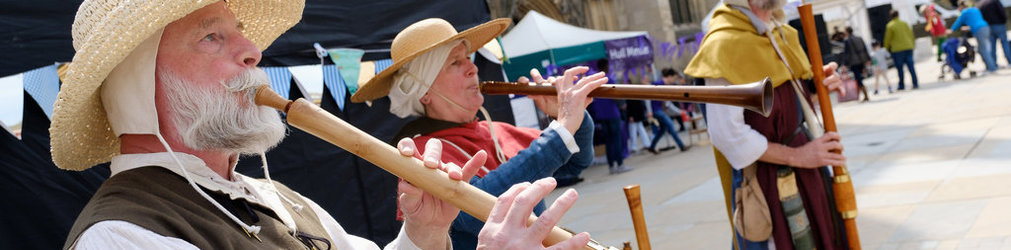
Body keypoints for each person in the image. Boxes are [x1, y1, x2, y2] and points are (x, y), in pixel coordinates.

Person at [51, 1, 590, 249]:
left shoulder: (277, 198)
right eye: (212, 37)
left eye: (241, 32)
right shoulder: (122, 236)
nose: (251, 52)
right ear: (143, 83)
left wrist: (422, 236)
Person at [348, 18, 604, 249]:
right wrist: (562, 128)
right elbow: (472, 213)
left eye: (468, 58)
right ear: (424, 91)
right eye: (455, 62)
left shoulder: (496, 130)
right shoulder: (422, 151)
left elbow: (576, 162)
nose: (472, 68)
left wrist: (564, 116)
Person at [684, 0, 847, 248]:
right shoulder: (723, 44)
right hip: (768, 180)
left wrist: (816, 87)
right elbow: (728, 135)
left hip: (809, 171)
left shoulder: (782, 32)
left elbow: (784, 104)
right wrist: (798, 156)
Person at [646, 68, 689, 155]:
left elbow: (668, 104)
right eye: (674, 78)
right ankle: (681, 146)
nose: (674, 81)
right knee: (670, 125)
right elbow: (647, 96)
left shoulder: (666, 86)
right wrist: (649, 111)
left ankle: (651, 147)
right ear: (669, 77)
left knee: (663, 130)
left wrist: (679, 111)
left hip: (660, 110)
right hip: (656, 110)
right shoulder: (657, 84)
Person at [950, 0, 998, 74]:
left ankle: (991, 68)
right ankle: (991, 66)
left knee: (983, 50)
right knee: (985, 48)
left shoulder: (964, 12)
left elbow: (958, 22)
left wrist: (951, 30)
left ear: (961, 6)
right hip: (986, 27)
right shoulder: (974, 9)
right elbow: (975, 21)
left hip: (979, 30)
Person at [884, 9, 920, 90]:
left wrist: (886, 48)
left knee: (900, 69)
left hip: (897, 50)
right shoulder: (904, 23)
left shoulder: (890, 25)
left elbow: (887, 39)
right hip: (908, 47)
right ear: (898, 15)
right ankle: (915, 83)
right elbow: (910, 34)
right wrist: (913, 44)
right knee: (911, 67)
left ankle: (902, 85)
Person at [841, 27, 872, 102]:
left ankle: (865, 95)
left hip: (854, 62)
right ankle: (859, 96)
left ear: (847, 32)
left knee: (858, 79)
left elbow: (847, 53)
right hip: (861, 61)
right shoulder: (859, 38)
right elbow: (865, 49)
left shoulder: (847, 41)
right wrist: (868, 59)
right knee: (859, 78)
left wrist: (844, 64)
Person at [978, 0, 1011, 67]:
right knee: (1005, 43)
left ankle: (994, 64)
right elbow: (1001, 11)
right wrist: (1004, 20)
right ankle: (1010, 61)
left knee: (992, 46)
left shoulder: (981, 4)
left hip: (989, 26)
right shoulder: (994, 1)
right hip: (999, 25)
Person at [627, 77, 653, 154]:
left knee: (633, 131)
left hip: (635, 115)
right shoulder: (635, 90)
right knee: (640, 129)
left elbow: (632, 105)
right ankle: (646, 143)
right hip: (637, 114)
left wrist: (631, 115)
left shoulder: (630, 92)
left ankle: (634, 146)